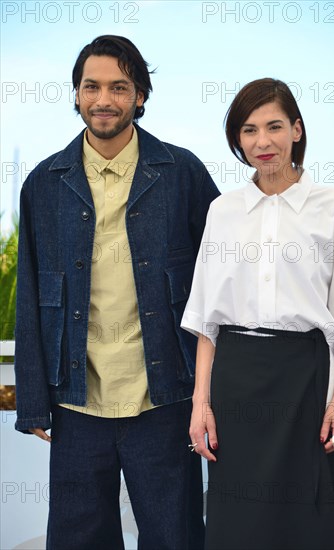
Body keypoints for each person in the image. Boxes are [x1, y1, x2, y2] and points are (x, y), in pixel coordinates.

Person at [14, 35, 220, 550]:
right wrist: (35, 402)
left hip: (165, 398)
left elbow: (223, 281)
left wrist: (215, 392)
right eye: (92, 86)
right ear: (76, 94)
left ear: (140, 97)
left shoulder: (183, 173)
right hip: (76, 405)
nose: (104, 99)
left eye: (119, 87)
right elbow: (29, 299)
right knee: (77, 540)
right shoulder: (43, 183)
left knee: (174, 537)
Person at [182, 78, 334, 550]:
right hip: (234, 380)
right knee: (237, 522)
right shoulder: (222, 211)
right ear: (237, 141)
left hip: (305, 380)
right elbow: (207, 320)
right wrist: (201, 403)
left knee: (310, 516)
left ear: (297, 130)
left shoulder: (333, 206)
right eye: (248, 130)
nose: (262, 142)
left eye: (274, 126)